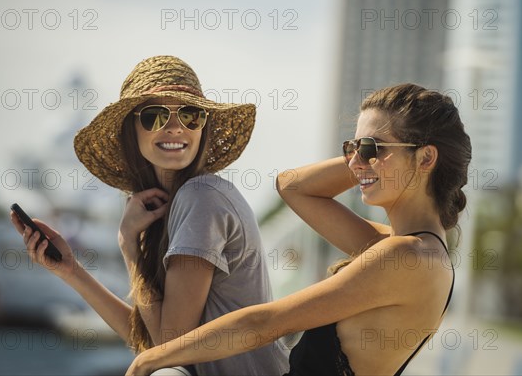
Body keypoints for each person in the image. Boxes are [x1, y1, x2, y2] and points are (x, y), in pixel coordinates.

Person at [124, 83, 472, 376]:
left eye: (371, 148)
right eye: (351, 148)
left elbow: (267, 323)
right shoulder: (406, 249)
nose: (354, 161)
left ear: (426, 159)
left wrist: (153, 358)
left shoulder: (404, 256)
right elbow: (291, 186)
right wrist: (372, 160)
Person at [9, 56, 289, 376]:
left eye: (189, 114)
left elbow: (168, 348)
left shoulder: (201, 198)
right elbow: (149, 343)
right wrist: (72, 271)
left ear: (202, 126)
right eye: (154, 116)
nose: (174, 127)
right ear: (132, 130)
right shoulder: (167, 209)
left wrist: (128, 245)